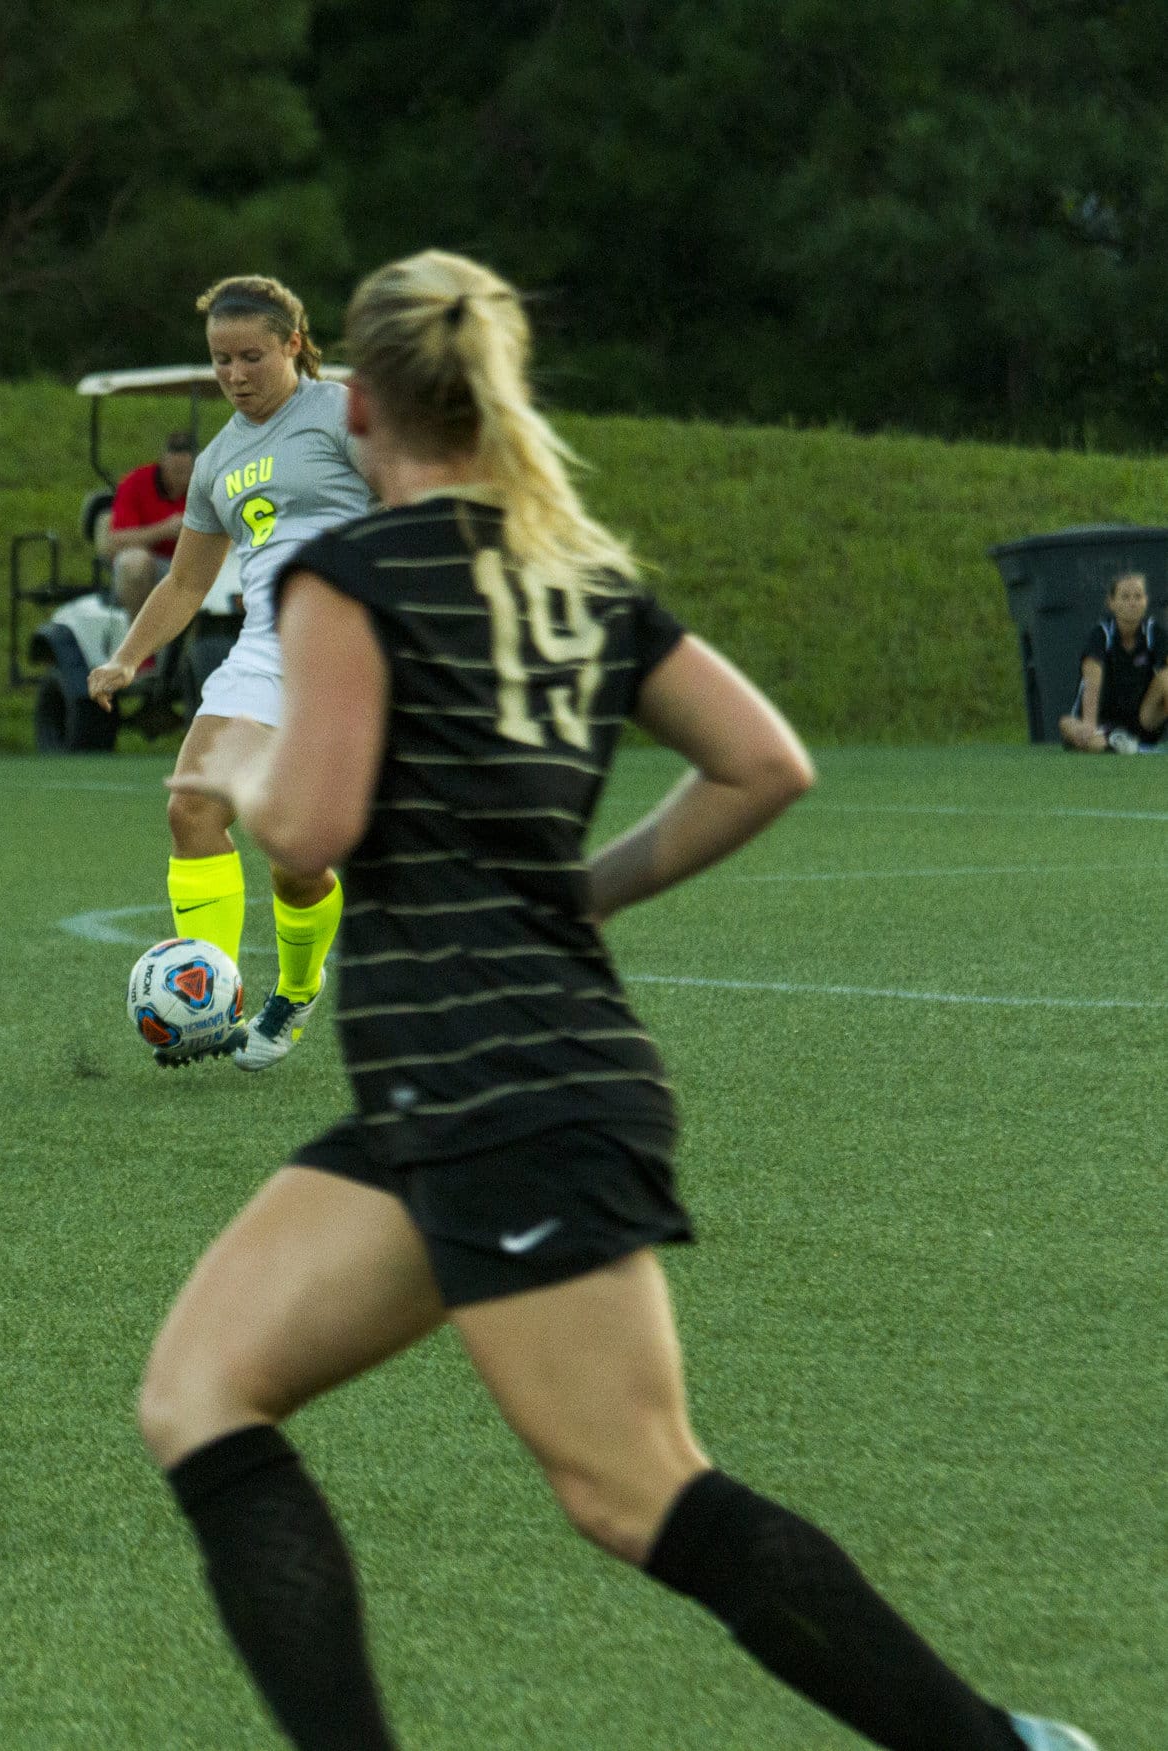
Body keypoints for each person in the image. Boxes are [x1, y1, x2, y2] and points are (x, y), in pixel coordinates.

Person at [141, 248, 1099, 1751]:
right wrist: (583, 889)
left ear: (365, 400)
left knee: (638, 1488)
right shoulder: (573, 568)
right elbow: (763, 761)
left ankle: (989, 1744)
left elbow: (311, 831)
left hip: (502, 1088)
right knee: (199, 1392)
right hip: (452, 1089)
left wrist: (238, 763)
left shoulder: (353, 573)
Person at [88, 277, 371, 1072]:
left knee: (295, 857)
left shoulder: (342, 410)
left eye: (251, 355)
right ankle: (211, 999)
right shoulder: (218, 459)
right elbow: (183, 583)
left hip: (351, 651)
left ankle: (298, 987)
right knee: (192, 809)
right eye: (221, 360)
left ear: (292, 344)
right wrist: (124, 656)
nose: (236, 374)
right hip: (265, 652)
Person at [1058, 569, 1167, 752]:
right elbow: (1092, 685)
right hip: (1104, 724)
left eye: (1138, 596)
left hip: (1142, 721)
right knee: (1066, 724)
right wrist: (1090, 728)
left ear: (1146, 601)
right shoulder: (1101, 635)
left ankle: (1129, 745)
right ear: (1111, 603)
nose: (1132, 603)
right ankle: (1112, 746)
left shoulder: (1153, 632)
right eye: (1125, 597)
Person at [98, 430, 196, 617]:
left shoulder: (207, 485)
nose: (182, 479)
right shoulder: (136, 483)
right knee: (133, 562)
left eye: (186, 472)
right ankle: (143, 638)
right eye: (176, 472)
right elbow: (116, 541)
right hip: (157, 568)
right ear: (163, 463)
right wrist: (164, 531)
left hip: (198, 567)